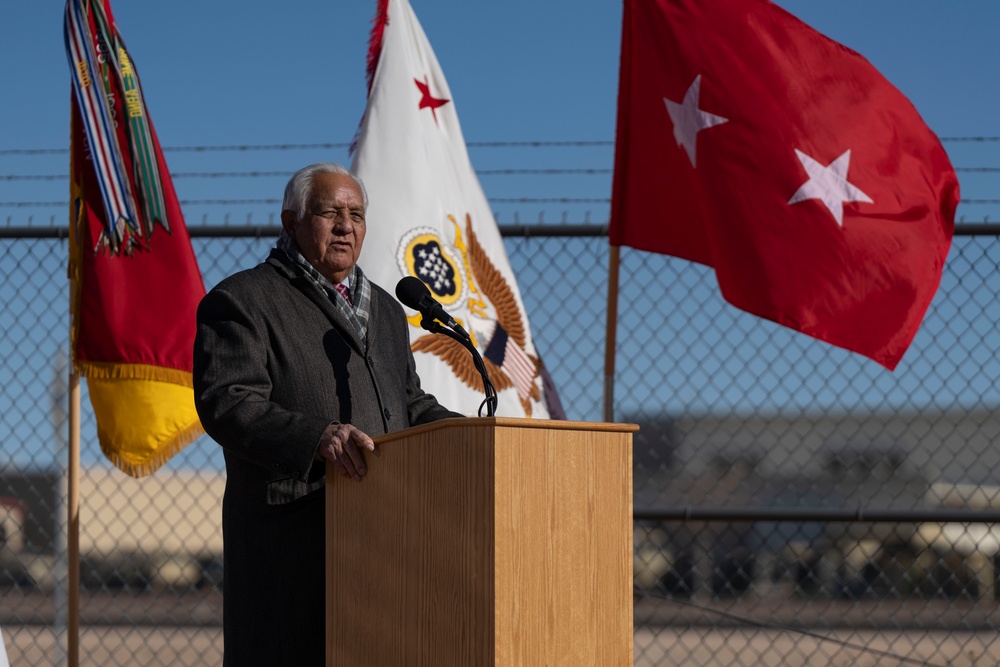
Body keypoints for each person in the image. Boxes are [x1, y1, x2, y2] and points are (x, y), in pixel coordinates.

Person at [193, 162, 461, 666]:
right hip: (291, 550)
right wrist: (316, 435)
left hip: (384, 545)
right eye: (329, 212)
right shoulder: (242, 300)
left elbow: (408, 401)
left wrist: (469, 435)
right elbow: (227, 401)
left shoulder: (384, 309)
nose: (345, 225)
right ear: (290, 220)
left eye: (356, 214)